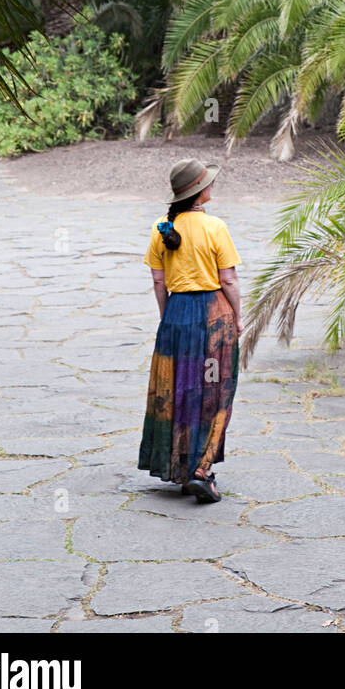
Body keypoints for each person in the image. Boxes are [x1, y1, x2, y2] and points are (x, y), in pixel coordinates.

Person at [137, 158, 244, 503]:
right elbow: (228, 279)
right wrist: (238, 318)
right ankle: (202, 469)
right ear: (201, 191)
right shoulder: (216, 227)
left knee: (179, 389)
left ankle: (180, 466)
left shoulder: (160, 228)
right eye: (209, 182)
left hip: (177, 314)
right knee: (215, 390)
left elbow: (158, 280)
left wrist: (168, 318)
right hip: (214, 317)